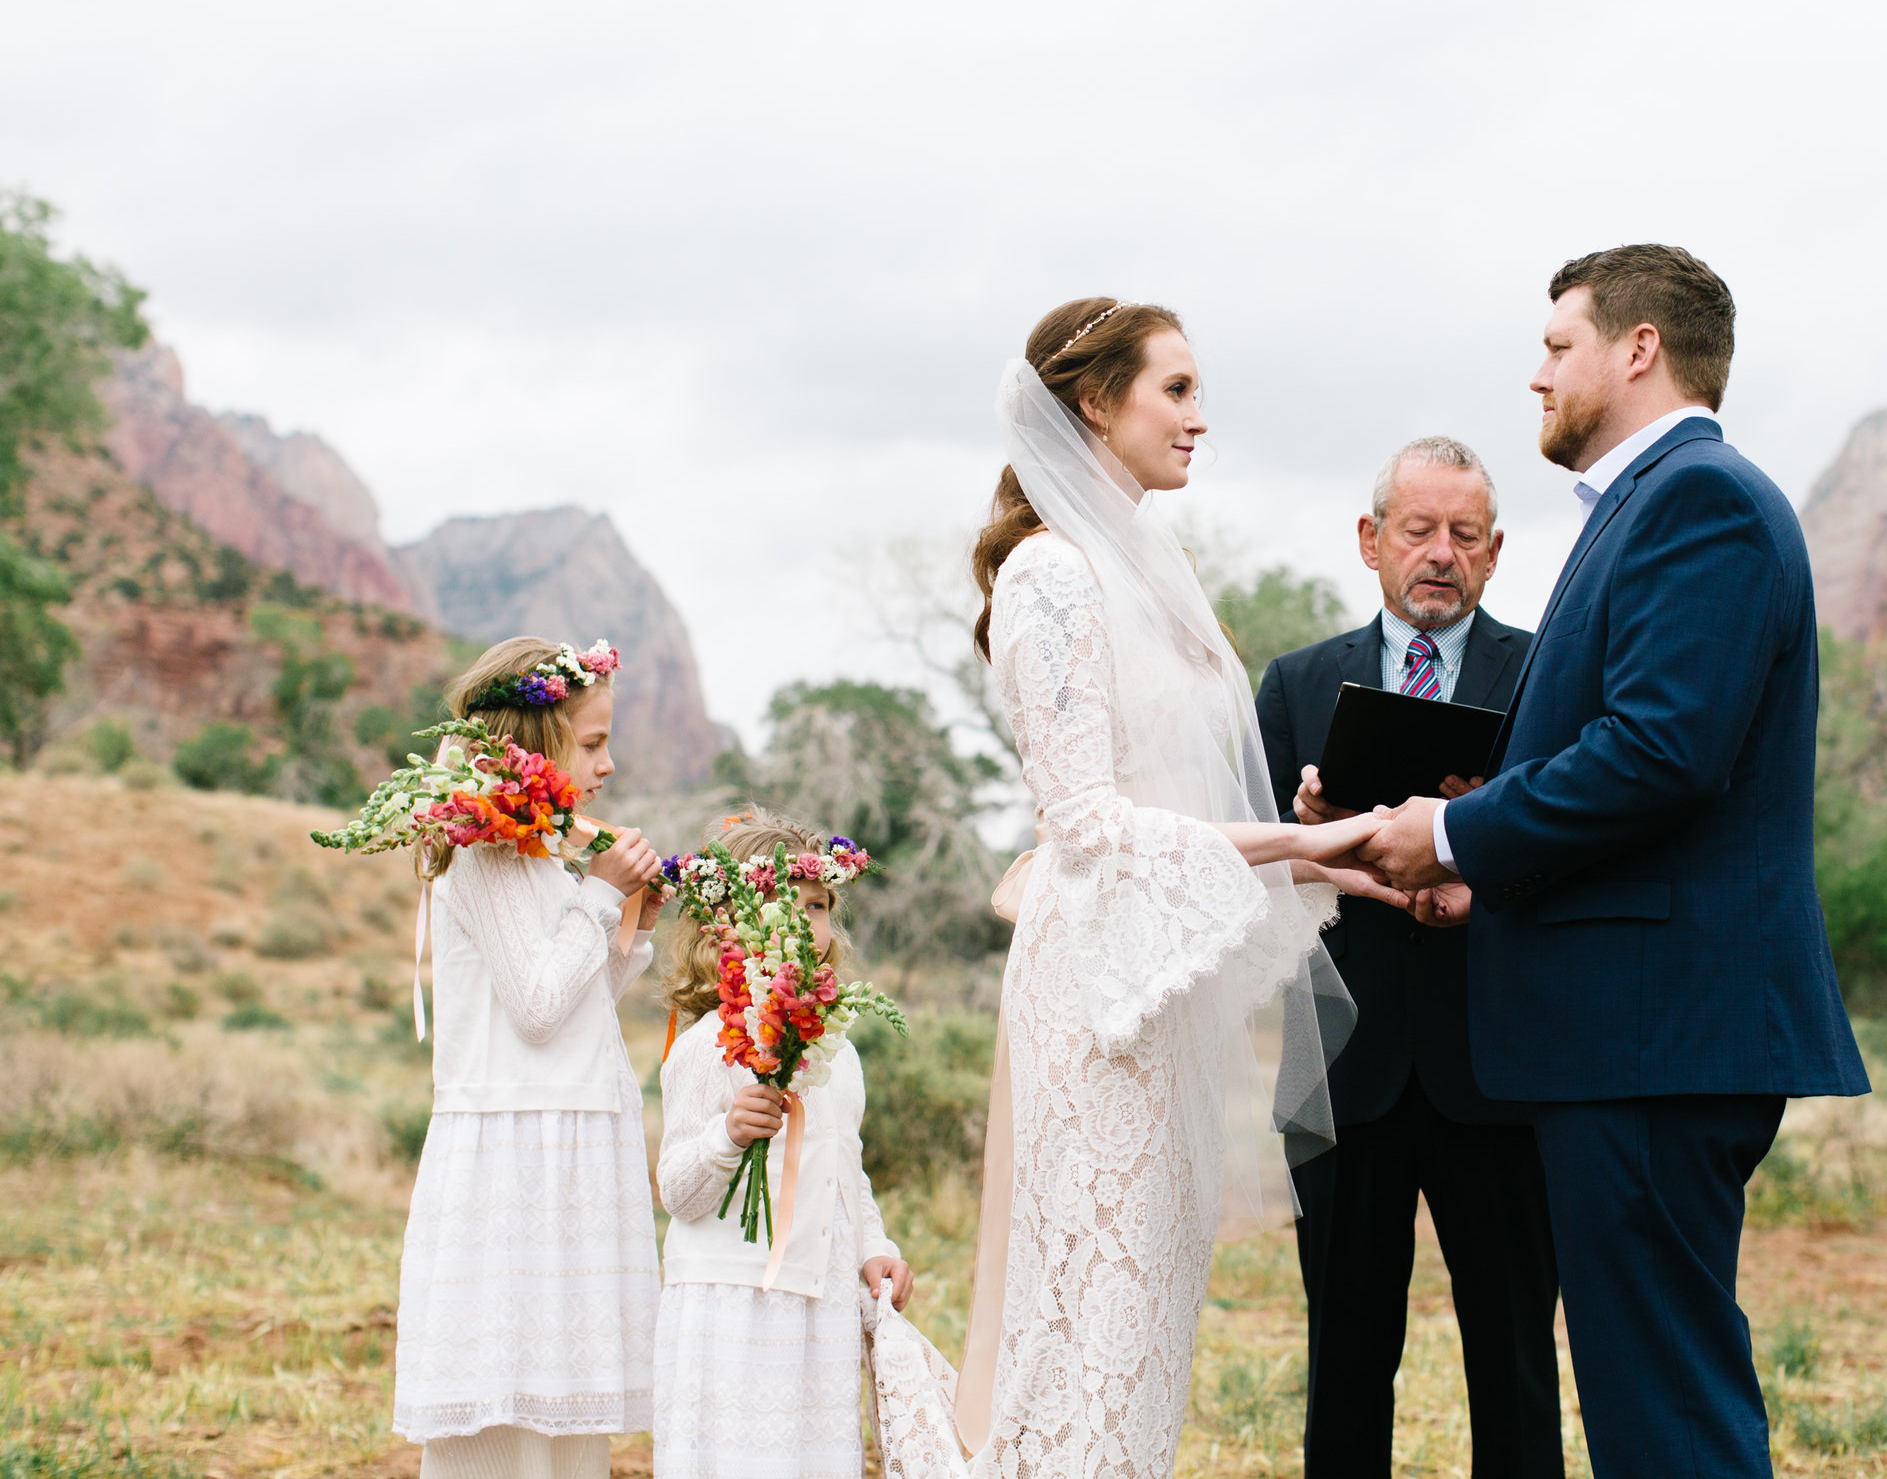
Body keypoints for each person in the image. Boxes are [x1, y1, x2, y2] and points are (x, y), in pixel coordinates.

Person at [1360, 247, 1869, 1479]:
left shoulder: (1701, 501)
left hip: (1656, 1034)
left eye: (1556, 343)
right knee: (1646, 1397)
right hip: (1632, 1032)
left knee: (1665, 1410)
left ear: (1638, 347)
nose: (1537, 374)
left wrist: (1447, 832)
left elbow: (1659, 752)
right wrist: (1489, 878)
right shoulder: (1644, 507)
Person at [861, 298, 1387, 1478]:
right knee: (1090, 1304)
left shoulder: (1151, 566)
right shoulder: (1050, 572)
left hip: (1165, 988)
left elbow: (1190, 811)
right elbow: (1089, 823)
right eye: (1178, 390)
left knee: (1147, 1305)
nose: (1201, 417)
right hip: (1094, 989)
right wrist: (1330, 844)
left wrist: (1337, 851)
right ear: (1096, 402)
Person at [1256, 437, 1561, 1479]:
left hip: (1504, 1072)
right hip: (1338, 1074)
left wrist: (1500, 843)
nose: (1439, 554)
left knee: (1517, 1365)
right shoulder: (1294, 684)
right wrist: (1310, 833)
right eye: (1417, 529)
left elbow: (1585, 848)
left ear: (1494, 551)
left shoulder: (1550, 674)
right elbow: (1244, 870)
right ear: (1369, 539)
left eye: (1463, 535)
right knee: (1342, 1367)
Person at [390, 637, 666, 1479]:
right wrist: (602, 893)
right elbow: (541, 1007)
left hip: (569, 1143)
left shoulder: (543, 850)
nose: (609, 764)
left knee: (563, 1416)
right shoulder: (485, 849)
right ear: (531, 748)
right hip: (518, 1160)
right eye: (591, 743)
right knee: (505, 1407)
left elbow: (580, 1001)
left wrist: (631, 923)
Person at [650, 809, 910, 1479]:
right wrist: (729, 1134)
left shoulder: (834, 1047)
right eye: (784, 907)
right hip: (731, 1305)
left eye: (818, 906)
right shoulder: (710, 1044)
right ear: (728, 928)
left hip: (815, 1306)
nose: (806, 924)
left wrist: (875, 1247)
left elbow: (843, 1172)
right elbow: (677, 1189)